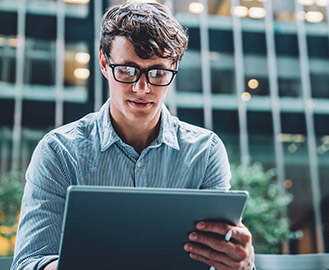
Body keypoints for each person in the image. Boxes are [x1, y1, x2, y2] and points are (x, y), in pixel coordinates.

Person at [11, 2, 255, 270]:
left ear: (174, 69)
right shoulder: (59, 152)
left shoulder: (206, 152)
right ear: (104, 63)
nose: (142, 88)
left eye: (158, 72)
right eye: (127, 70)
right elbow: (28, 263)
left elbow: (219, 258)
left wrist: (240, 264)